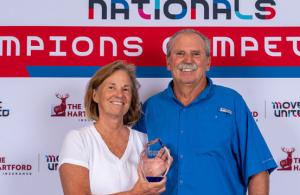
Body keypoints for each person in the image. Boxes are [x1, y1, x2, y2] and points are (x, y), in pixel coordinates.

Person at [134, 29, 277, 195]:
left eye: (196, 54)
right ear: (168, 62)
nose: (188, 60)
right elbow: (131, 169)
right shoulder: (151, 108)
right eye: (180, 53)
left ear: (208, 62)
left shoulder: (232, 103)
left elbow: (258, 171)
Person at [58, 61, 169, 195]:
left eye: (126, 89)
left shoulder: (144, 141)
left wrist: (154, 178)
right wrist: (135, 192)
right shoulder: (79, 140)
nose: (119, 94)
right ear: (95, 95)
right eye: (111, 87)